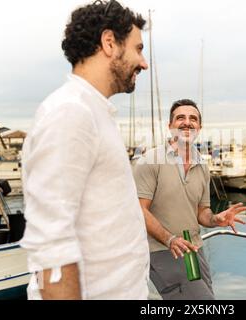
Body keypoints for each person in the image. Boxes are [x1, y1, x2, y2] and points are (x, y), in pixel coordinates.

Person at [20, 0, 150, 300]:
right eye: (138, 49)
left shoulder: (95, 112)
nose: (144, 63)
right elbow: (52, 245)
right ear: (109, 43)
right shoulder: (70, 112)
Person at [132, 99, 246, 300]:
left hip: (194, 248)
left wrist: (216, 220)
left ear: (199, 128)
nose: (187, 122)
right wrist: (170, 239)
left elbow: (201, 212)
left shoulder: (202, 165)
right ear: (170, 126)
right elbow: (139, 210)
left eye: (193, 118)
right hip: (161, 249)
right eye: (180, 118)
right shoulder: (149, 161)